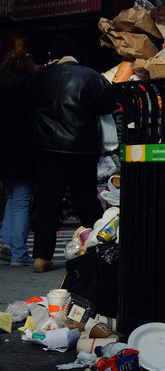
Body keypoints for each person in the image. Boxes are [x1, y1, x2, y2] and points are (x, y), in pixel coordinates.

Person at [30, 37, 117, 273]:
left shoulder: (39, 77)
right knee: (86, 200)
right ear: (75, 54)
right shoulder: (90, 76)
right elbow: (107, 105)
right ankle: (98, 250)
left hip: (46, 148)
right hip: (81, 148)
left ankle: (41, 257)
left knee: (48, 202)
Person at [0, 51, 36, 267]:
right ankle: (19, 253)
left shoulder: (2, 91)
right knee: (21, 202)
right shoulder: (31, 90)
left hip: (3, 154)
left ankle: (6, 243)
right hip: (24, 152)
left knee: (12, 199)